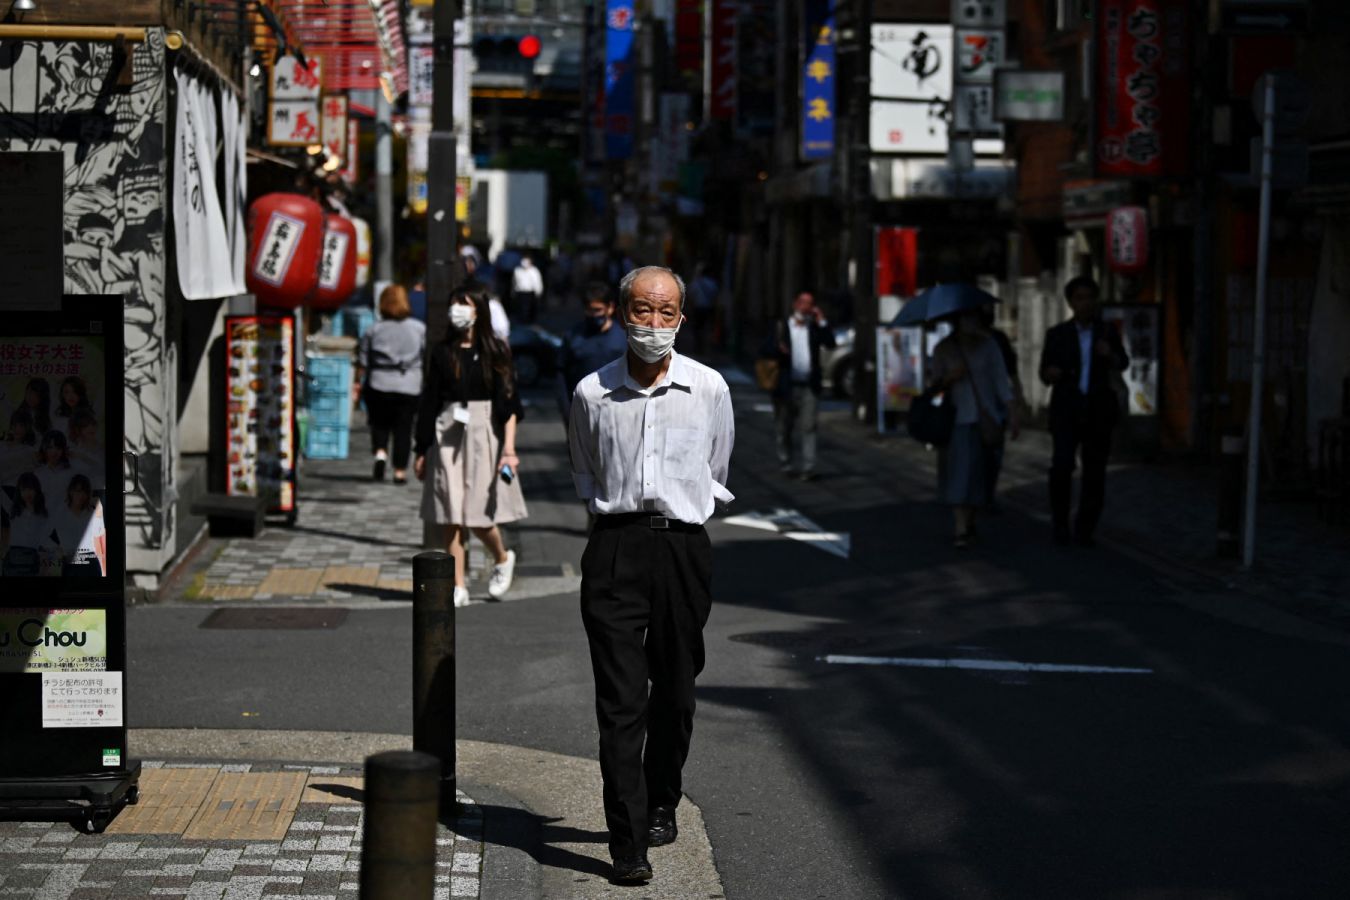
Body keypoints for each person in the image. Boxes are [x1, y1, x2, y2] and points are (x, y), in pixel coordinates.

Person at [568, 265, 735, 884]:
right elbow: (586, 473)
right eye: (643, 310)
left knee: (677, 687)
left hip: (683, 550)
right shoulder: (592, 392)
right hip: (614, 548)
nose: (654, 323)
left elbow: (716, 466)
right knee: (619, 701)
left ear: (682, 318)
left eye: (666, 312)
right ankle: (627, 840)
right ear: (621, 314)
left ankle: (663, 795)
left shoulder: (710, 387)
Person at [414, 282, 527, 607]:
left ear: (479, 309)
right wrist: (420, 449)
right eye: (454, 303)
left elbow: (509, 405)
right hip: (446, 431)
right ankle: (458, 584)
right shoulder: (442, 351)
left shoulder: (497, 350)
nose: (457, 309)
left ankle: (502, 557)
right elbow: (430, 400)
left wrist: (509, 450)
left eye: (463, 303)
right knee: (450, 511)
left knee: (479, 513)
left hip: (484, 432)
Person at [1039, 276, 1129, 547]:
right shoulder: (1057, 334)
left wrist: (1109, 355)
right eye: (1079, 298)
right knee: (1062, 466)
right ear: (1070, 302)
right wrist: (1050, 373)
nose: (1085, 303)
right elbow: (1044, 371)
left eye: (1090, 298)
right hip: (1066, 408)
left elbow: (1123, 362)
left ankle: (1085, 527)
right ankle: (1060, 523)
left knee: (1095, 471)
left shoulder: (1107, 332)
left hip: (1098, 409)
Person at [927, 308, 1017, 547]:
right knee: (960, 472)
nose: (970, 322)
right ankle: (961, 527)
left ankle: (971, 519)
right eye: (965, 318)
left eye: (973, 317)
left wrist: (1012, 413)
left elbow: (1001, 381)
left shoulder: (989, 346)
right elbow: (933, 386)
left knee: (984, 472)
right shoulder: (944, 348)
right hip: (957, 420)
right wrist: (949, 378)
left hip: (988, 419)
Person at [760, 290, 835, 481]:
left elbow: (831, 343)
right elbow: (764, 350)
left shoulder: (815, 327)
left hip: (809, 384)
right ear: (795, 304)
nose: (805, 307)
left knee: (809, 426)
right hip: (786, 385)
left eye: (810, 304)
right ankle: (786, 462)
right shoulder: (781, 327)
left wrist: (822, 320)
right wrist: (779, 350)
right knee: (784, 426)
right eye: (802, 302)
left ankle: (809, 467)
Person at [357, 285, 427, 484]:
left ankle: (380, 452)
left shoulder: (374, 330)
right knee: (403, 429)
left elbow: (363, 359)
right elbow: (425, 355)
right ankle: (399, 470)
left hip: (379, 382)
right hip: (409, 384)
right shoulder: (419, 329)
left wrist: (358, 381)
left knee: (379, 423)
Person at [557, 281, 628, 423]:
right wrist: (566, 410)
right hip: (582, 412)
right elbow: (560, 373)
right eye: (589, 310)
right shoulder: (573, 336)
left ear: (610, 308)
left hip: (618, 412)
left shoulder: (624, 336)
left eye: (597, 310)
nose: (593, 315)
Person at [979, 305, 1023, 512]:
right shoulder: (965, 341)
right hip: (976, 405)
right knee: (984, 452)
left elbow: (1011, 373)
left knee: (993, 450)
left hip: (996, 403)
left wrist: (1015, 404)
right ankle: (981, 494)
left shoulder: (997, 340)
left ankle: (985, 494)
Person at [4, 472, 55, 577]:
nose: (28, 493)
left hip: (33, 558)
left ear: (36, 490)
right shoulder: (12, 510)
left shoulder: (43, 514)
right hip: (13, 558)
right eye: (24, 490)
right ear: (19, 491)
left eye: (31, 489)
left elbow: (46, 542)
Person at [55, 474, 106, 576]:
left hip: (90, 560)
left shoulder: (92, 512)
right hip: (70, 560)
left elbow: (98, 536)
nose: (81, 495)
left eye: (84, 492)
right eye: (77, 491)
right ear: (71, 492)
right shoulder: (61, 512)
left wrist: (99, 514)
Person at [510, 254, 545, 323]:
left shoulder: (534, 271)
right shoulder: (517, 270)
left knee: (530, 308)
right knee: (521, 308)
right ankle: (522, 320)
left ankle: (530, 321)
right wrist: (513, 291)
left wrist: (539, 292)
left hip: (530, 292)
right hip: (520, 292)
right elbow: (514, 282)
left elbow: (537, 282)